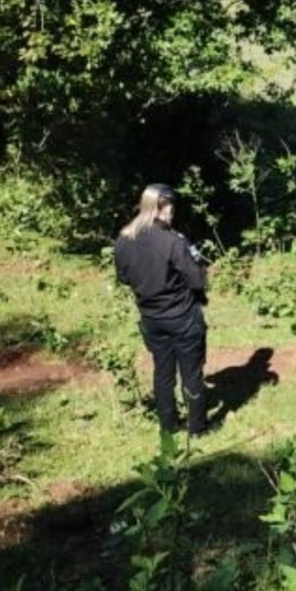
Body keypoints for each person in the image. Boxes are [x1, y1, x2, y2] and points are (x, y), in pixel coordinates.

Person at [114, 183, 212, 436]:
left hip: (151, 318)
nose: (172, 213)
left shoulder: (123, 240)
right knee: (191, 372)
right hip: (182, 316)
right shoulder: (173, 241)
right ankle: (197, 429)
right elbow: (197, 279)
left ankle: (168, 427)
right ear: (163, 207)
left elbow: (123, 278)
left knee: (163, 373)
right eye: (171, 208)